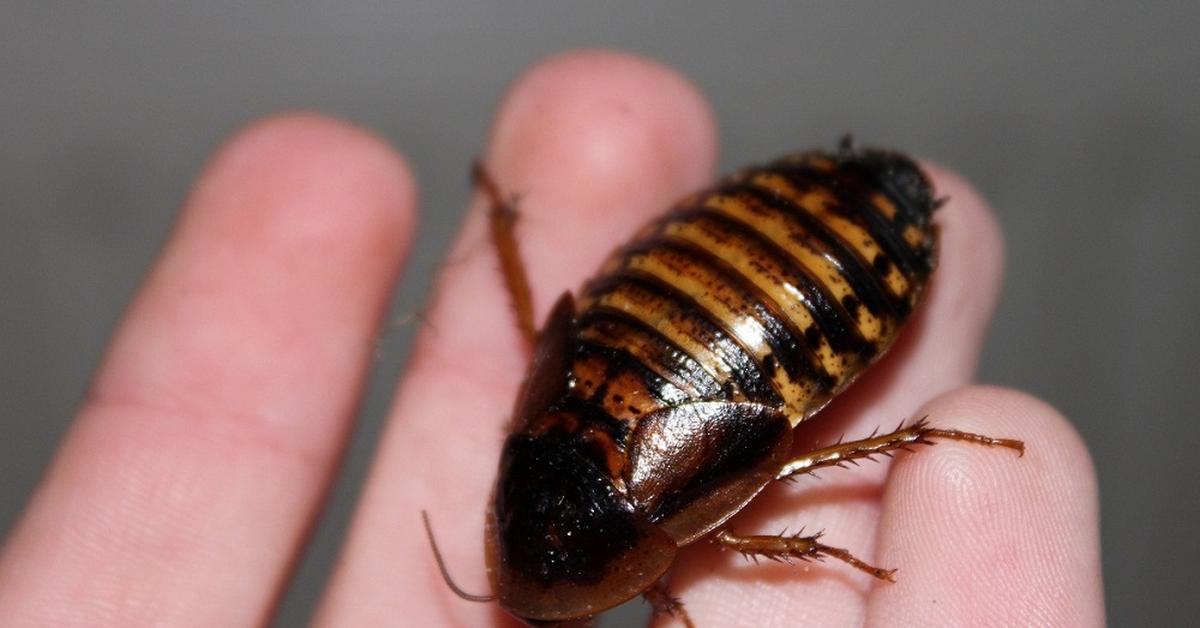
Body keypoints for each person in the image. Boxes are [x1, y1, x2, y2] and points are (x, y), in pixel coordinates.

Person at [0, 50, 1104, 626]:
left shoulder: (661, 536)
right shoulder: (564, 468)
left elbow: (791, 467)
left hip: (807, 287)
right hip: (758, 290)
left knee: (799, 460)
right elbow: (781, 477)